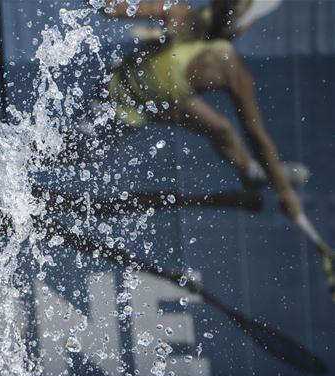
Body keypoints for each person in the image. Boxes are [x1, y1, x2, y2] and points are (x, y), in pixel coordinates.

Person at [83, 0, 335, 297]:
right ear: (242, 26)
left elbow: (120, 8)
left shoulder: (183, 16)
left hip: (144, 93)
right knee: (73, 156)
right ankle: (256, 171)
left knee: (222, 130)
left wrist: (111, 7)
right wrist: (286, 194)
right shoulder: (224, 62)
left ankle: (251, 171)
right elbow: (258, 138)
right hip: (118, 107)